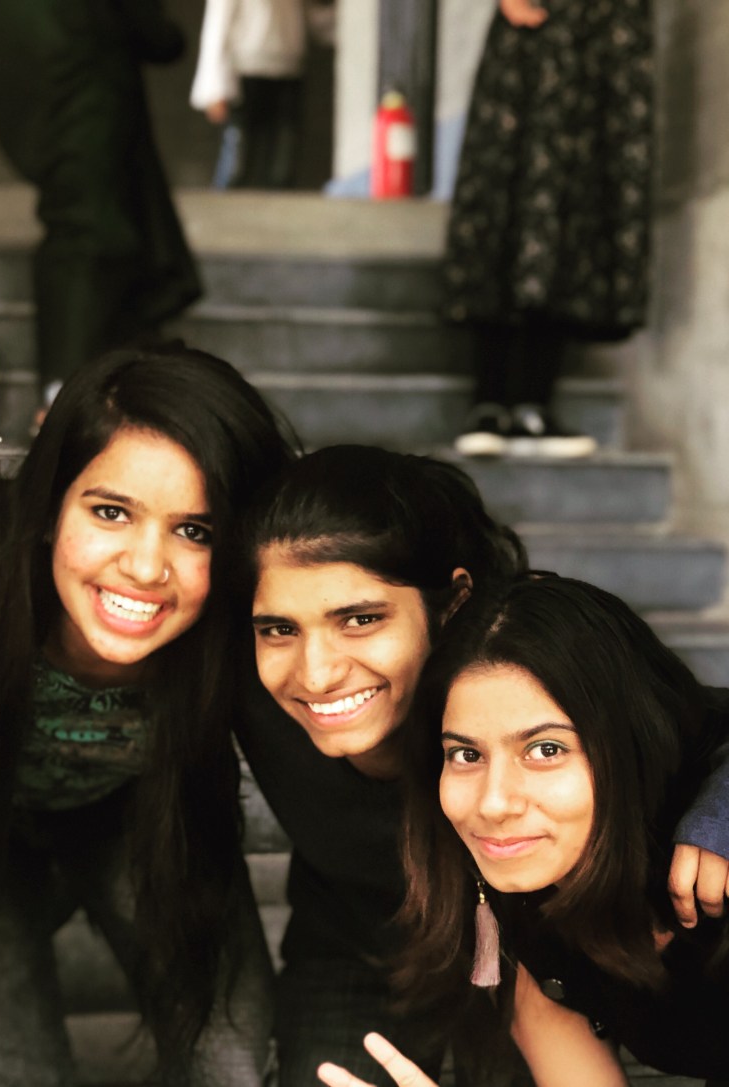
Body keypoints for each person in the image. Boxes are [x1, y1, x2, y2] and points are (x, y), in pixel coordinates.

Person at [238, 445, 729, 1086]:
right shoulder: (518, 897)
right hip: (382, 948)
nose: (317, 673)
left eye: (545, 749)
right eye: (464, 755)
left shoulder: (540, 669)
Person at [0, 345, 298, 1086]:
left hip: (140, 817)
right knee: (9, 1071)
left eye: (195, 530)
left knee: (234, 1067)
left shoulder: (261, 628)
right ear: (49, 507)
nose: (145, 566)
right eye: (111, 512)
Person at [396, 574, 729, 1084]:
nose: (493, 803)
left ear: (630, 747)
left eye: (546, 749)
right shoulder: (525, 912)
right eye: (465, 754)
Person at [445, 0, 652, 458]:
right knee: (507, 194)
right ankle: (488, 401)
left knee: (573, 204)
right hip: (538, 30)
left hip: (605, 30)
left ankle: (534, 403)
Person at [0, 0, 202, 402]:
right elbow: (162, 40)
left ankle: (65, 389)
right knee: (93, 237)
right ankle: (69, 393)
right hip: (87, 102)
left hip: (48, 102)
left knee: (84, 232)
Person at [191, 0, 307, 190]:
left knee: (281, 166)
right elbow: (216, 26)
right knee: (238, 163)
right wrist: (214, 89)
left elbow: (311, 14)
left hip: (289, 70)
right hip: (246, 69)